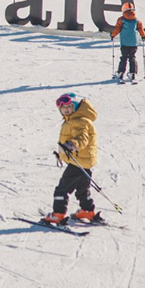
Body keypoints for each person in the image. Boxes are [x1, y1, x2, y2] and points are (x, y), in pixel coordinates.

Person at [42, 93, 103, 225]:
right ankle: (87, 210)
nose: (66, 110)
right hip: (84, 161)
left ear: (75, 107)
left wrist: (71, 145)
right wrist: (63, 151)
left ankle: (58, 214)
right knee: (82, 188)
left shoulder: (79, 121)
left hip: (78, 161)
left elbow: (82, 138)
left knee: (62, 189)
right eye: (63, 108)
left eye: (69, 107)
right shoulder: (76, 119)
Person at [110, 2, 145, 82]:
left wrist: (112, 35)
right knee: (132, 58)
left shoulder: (121, 20)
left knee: (124, 58)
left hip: (124, 43)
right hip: (134, 43)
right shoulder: (137, 20)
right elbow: (141, 29)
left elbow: (117, 29)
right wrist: (143, 36)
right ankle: (132, 73)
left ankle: (120, 72)